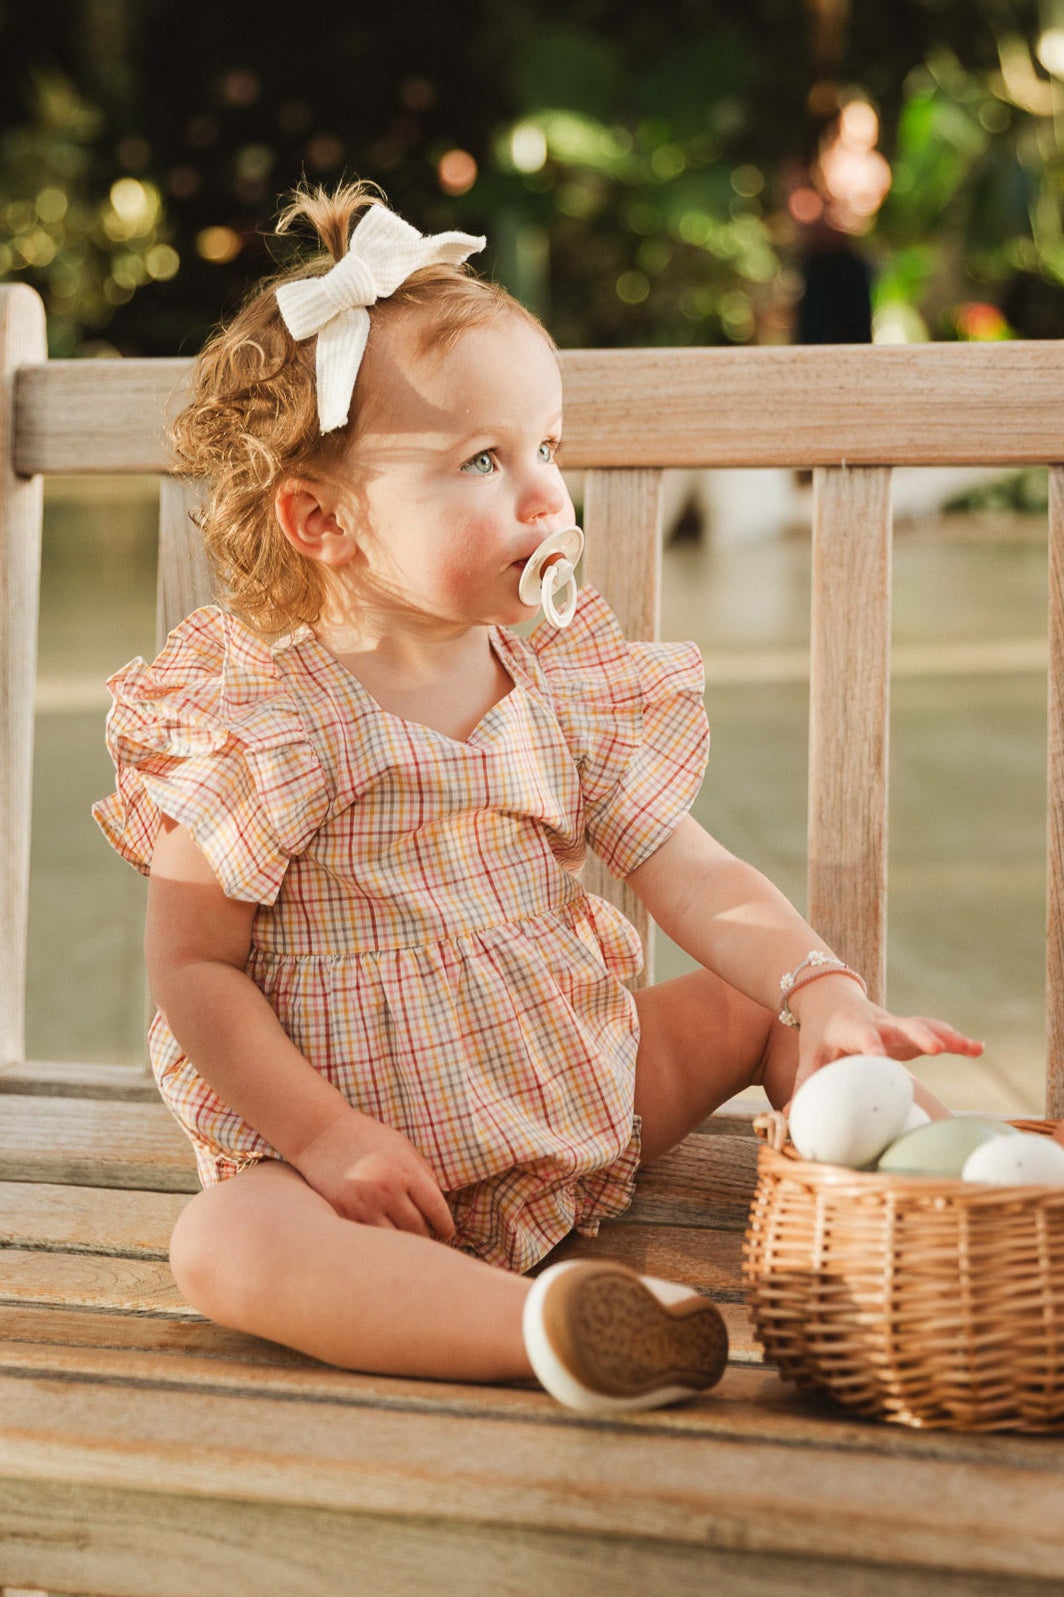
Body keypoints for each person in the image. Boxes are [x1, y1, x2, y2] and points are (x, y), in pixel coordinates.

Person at [94, 183, 982, 1414]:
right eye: (481, 460)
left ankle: (969, 1200)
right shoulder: (269, 723)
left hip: (578, 1091)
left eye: (547, 449)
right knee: (225, 1247)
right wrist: (320, 1139)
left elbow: (694, 871)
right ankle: (548, 1326)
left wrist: (816, 985)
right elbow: (193, 970)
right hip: (359, 1167)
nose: (543, 495)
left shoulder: (555, 682)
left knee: (768, 1011)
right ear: (320, 521)